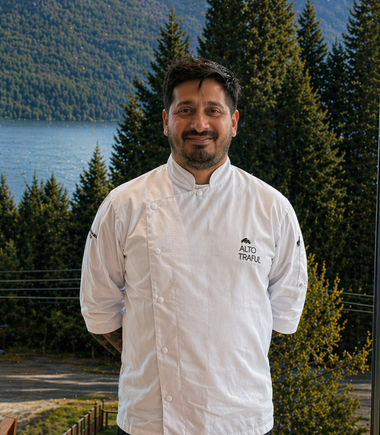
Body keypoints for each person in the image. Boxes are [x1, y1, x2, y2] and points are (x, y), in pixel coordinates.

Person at [80, 54, 308, 435]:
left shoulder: (272, 209)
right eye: (185, 110)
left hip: (243, 421)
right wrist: (151, 357)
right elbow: (100, 311)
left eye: (213, 111)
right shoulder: (123, 206)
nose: (199, 124)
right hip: (150, 421)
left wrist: (226, 360)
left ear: (233, 123)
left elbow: (282, 318)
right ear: (166, 120)